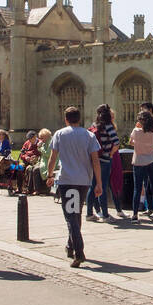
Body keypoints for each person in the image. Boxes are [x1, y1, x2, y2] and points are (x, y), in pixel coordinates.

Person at [47, 105, 104, 266]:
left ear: (66, 119)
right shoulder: (89, 135)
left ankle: (79, 252)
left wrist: (50, 175)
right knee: (75, 214)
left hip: (67, 180)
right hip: (83, 181)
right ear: (80, 118)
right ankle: (70, 246)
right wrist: (98, 183)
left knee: (71, 216)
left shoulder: (60, 134)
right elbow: (95, 161)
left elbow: (53, 158)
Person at [86, 104, 119, 221]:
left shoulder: (94, 125)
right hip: (104, 160)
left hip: (94, 159)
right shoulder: (109, 126)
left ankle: (89, 213)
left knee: (93, 186)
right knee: (103, 186)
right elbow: (116, 142)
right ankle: (105, 215)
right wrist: (110, 154)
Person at [129, 111, 153, 222]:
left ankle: (134, 215)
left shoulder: (136, 131)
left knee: (137, 189)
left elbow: (131, 142)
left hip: (139, 161)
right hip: (151, 160)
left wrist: (139, 143)